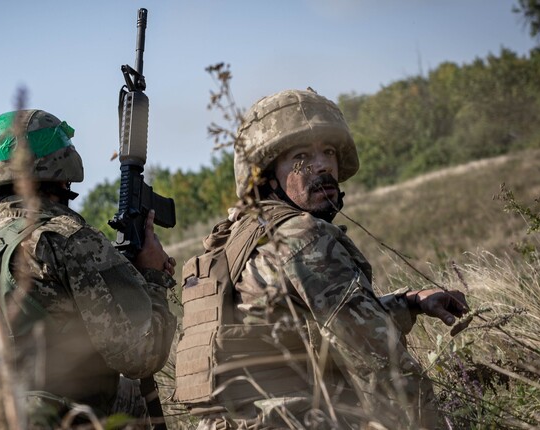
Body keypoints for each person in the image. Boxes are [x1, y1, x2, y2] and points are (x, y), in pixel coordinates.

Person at [174, 89, 469, 429]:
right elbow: (380, 363)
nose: (322, 166)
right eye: (301, 156)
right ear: (267, 175)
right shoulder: (301, 235)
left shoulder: (234, 242)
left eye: (328, 151)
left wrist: (411, 303)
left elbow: (301, 332)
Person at [0, 109, 177, 427]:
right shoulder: (66, 238)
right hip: (52, 420)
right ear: (60, 169)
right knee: (131, 396)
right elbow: (141, 355)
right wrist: (153, 276)